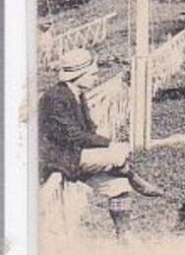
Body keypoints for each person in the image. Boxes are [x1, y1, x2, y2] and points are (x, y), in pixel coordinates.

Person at [38, 48, 163, 235]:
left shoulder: (77, 94)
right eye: (93, 74)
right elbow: (72, 135)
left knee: (118, 187)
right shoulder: (55, 97)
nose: (96, 78)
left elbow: (89, 129)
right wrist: (108, 145)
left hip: (75, 155)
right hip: (59, 158)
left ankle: (124, 236)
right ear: (78, 75)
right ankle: (136, 179)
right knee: (117, 154)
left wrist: (103, 145)